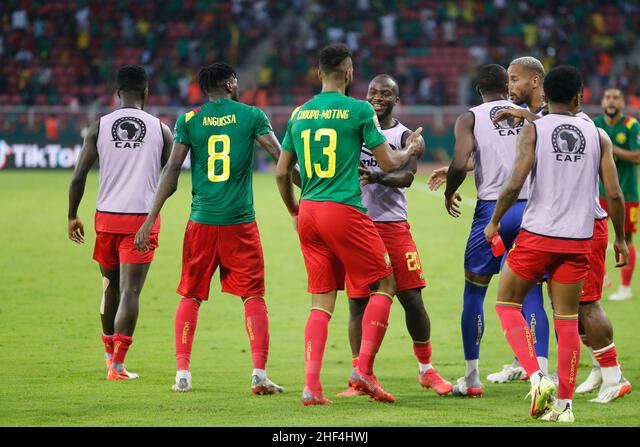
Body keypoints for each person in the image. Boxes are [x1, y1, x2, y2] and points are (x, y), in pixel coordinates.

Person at [275, 43, 423, 405]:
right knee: (385, 282)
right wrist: (412, 149)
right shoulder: (358, 110)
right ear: (349, 73)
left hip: (308, 210)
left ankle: (311, 387)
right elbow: (389, 164)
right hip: (342, 209)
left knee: (321, 301)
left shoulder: (300, 113)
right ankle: (364, 371)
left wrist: (294, 211)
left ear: (318, 72)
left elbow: (281, 172)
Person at [135, 62, 295, 395]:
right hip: (240, 223)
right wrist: (311, 188)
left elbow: (171, 171)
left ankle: (182, 374)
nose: (238, 82)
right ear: (228, 83)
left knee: (190, 296)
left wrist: (150, 217)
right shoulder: (251, 115)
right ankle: (259, 374)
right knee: (253, 295)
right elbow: (280, 158)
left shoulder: (189, 121)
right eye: (235, 78)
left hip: (202, 222)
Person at [484, 66, 628, 422]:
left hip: (538, 237)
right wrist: (622, 238)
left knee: (506, 304)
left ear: (545, 95)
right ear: (581, 97)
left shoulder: (533, 129)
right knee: (567, 320)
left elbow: (515, 182)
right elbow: (613, 193)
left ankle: (536, 376)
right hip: (579, 241)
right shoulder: (598, 136)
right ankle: (564, 407)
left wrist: (494, 220)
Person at [429, 64, 548, 397]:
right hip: (531, 210)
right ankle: (541, 370)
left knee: (475, 293)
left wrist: (452, 188)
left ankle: (472, 378)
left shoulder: (470, 117)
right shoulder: (526, 113)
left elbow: (460, 160)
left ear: (478, 88)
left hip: (492, 211)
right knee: (532, 292)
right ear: (505, 86)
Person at [338, 74, 451, 398]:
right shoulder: (355, 128)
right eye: (373, 91)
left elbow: (407, 177)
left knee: (412, 298)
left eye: (386, 93)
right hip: (358, 224)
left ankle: (425, 368)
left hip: (393, 224)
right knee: (357, 302)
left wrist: (377, 176)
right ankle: (359, 375)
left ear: (396, 99)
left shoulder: (405, 135)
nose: (378, 97)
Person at [68, 65, 173, 380]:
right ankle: (118, 366)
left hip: (106, 218)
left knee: (110, 287)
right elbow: (170, 178)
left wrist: (72, 215)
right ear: (146, 92)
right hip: (141, 220)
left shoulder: (98, 126)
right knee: (131, 291)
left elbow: (78, 177)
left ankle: (107, 357)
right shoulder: (161, 129)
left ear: (117, 93)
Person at [594, 88, 640, 301]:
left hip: (627, 193)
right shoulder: (596, 125)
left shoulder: (631, 126)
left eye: (616, 98)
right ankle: (601, 277)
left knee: (626, 238)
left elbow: (638, 156)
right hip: (598, 192)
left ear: (622, 103)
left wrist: (610, 148)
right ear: (603, 101)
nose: (611, 101)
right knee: (592, 236)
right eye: (608, 97)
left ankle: (625, 287)